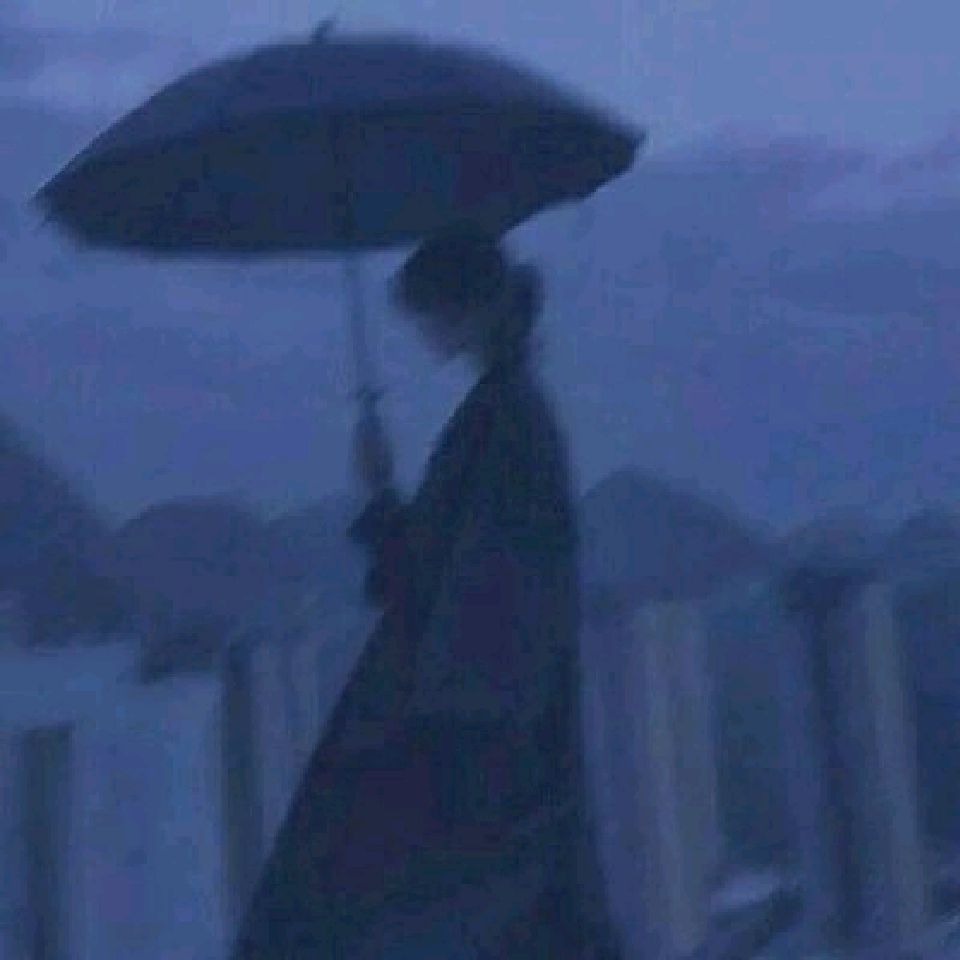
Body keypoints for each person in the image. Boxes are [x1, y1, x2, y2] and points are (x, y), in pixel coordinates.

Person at [230, 224, 622, 959]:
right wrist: (382, 493)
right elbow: (440, 571)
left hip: (474, 725)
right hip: (472, 715)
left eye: (427, 312)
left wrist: (451, 729)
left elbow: (480, 585)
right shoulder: (498, 412)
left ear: (463, 308)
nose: (424, 331)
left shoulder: (508, 419)